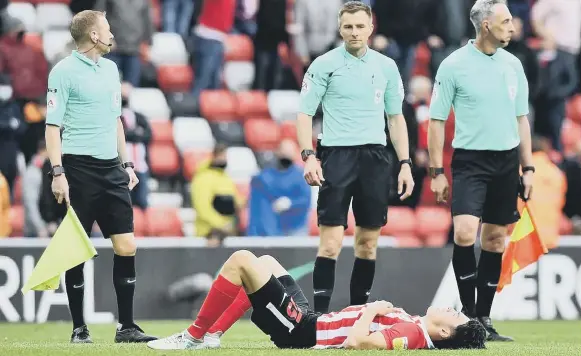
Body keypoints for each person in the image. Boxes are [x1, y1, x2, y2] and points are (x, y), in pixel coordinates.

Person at [44, 10, 157, 343]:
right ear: (93, 35)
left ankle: (126, 327)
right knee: (77, 249)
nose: (112, 35)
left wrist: (127, 165)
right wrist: (58, 172)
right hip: (78, 169)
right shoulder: (62, 72)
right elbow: (52, 127)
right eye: (107, 29)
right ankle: (79, 328)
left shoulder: (111, 69)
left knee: (126, 245)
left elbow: (116, 121)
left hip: (112, 170)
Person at [297, 1, 415, 314]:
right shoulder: (323, 64)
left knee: (367, 243)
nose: (354, 32)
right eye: (348, 26)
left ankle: (355, 316)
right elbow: (305, 113)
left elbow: (396, 118)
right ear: (340, 28)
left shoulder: (386, 66)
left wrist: (405, 164)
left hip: (376, 158)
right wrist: (308, 155)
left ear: (371, 27)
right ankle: (320, 320)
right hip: (337, 155)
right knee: (331, 243)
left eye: (360, 26)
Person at [428, 0, 534, 341]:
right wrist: (436, 171)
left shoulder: (513, 64)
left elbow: (522, 119)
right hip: (470, 161)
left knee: (495, 238)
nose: (512, 27)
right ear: (486, 25)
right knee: (463, 232)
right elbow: (436, 121)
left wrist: (527, 167)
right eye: (505, 21)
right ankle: (469, 315)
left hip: (505, 161)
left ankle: (484, 317)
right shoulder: (453, 65)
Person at [147, 250, 487, 350]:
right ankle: (212, 336)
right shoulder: (414, 325)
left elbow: (358, 343)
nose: (449, 309)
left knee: (241, 260)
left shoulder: (412, 334)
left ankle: (192, 337)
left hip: (301, 333)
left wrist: (372, 308)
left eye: (455, 317)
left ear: (444, 334)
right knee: (266, 263)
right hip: (311, 321)